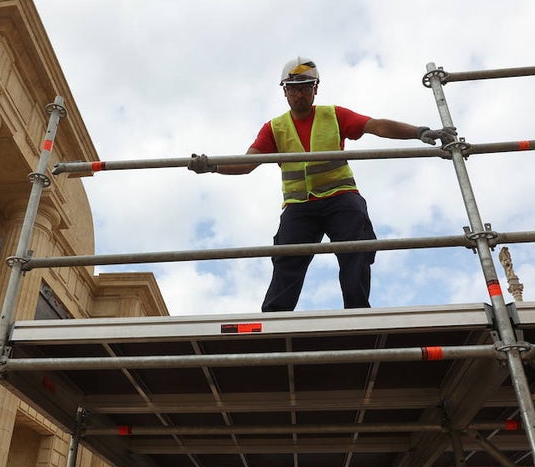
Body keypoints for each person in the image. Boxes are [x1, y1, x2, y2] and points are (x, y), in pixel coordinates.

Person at [188, 57, 456, 311]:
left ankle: (358, 314)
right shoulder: (275, 128)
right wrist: (211, 166)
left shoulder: (333, 115)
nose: (299, 94)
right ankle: (275, 319)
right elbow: (246, 164)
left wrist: (419, 132)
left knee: (356, 249)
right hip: (299, 206)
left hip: (341, 198)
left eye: (305, 87)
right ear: (284, 92)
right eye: (293, 89)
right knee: (287, 257)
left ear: (315, 89)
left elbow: (376, 126)